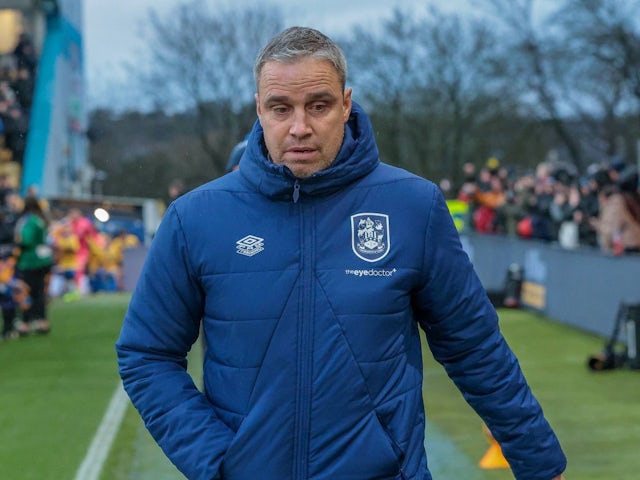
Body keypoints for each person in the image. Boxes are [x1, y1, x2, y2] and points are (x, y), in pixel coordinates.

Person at [116, 27, 566, 480]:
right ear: (258, 109)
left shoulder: (413, 206)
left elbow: (476, 347)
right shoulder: (195, 217)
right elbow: (146, 353)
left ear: (346, 104)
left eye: (318, 105)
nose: (299, 127)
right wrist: (217, 462)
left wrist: (541, 464)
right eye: (280, 108)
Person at [14, 196, 53, 334]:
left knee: (27, 291)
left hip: (30, 261)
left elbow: (26, 240)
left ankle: (25, 323)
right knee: (39, 292)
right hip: (43, 259)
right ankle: (42, 321)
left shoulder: (29, 221)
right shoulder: (40, 219)